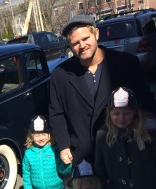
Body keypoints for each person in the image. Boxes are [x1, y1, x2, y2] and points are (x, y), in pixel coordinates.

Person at [49, 14, 156, 167]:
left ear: (96, 34)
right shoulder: (60, 75)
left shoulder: (126, 64)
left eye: (86, 39)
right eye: (75, 43)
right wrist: (64, 146)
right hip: (84, 160)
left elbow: (146, 101)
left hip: (126, 153)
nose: (82, 45)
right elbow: (56, 113)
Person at [94, 87, 156, 189]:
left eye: (126, 113)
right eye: (116, 113)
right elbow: (100, 167)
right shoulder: (103, 134)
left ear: (135, 112)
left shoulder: (148, 132)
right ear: (109, 113)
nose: (121, 118)